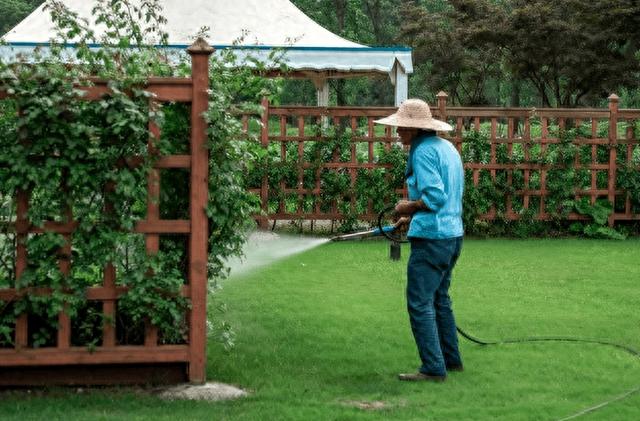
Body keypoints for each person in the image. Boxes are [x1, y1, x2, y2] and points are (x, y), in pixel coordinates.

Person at [374, 99, 464, 382]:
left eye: (402, 126)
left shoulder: (423, 152)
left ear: (415, 128)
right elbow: (447, 195)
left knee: (419, 302)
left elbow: (435, 197)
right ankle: (451, 361)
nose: (397, 131)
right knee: (440, 298)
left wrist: (407, 207)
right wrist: (411, 218)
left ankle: (433, 369)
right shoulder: (446, 148)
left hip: (433, 239)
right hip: (453, 234)